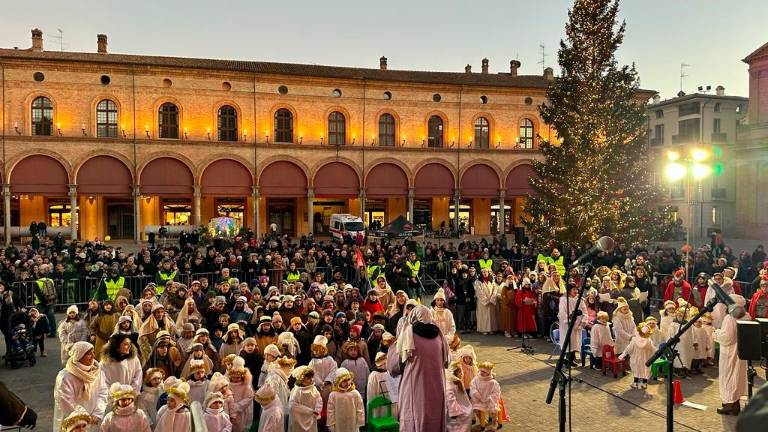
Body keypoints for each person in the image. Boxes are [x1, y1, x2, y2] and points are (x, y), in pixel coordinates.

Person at [387, 304, 448, 432]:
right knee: (435, 415)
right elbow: (447, 360)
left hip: (414, 384)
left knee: (414, 414)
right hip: (437, 386)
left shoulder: (408, 334)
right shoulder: (439, 335)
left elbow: (393, 366)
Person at [53, 341, 108, 431]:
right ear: (79, 355)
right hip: (74, 422)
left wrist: (97, 413)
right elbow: (66, 402)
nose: (93, 356)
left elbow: (103, 392)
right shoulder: (65, 377)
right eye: (89, 354)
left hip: (94, 420)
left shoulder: (97, 372)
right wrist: (85, 417)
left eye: (93, 353)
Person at [715, 294, 749, 416]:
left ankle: (730, 405)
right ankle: (734, 404)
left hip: (729, 353)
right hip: (740, 352)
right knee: (736, 377)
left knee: (728, 377)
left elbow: (727, 338)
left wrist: (716, 333)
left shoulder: (730, 318)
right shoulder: (746, 316)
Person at [326, 367, 365, 432]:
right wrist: (331, 424)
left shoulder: (355, 393)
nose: (347, 383)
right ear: (338, 381)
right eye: (344, 381)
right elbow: (330, 411)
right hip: (339, 424)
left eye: (348, 380)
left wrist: (360, 421)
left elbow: (360, 408)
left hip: (352, 423)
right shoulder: (333, 395)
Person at [619, 324, 656, 390]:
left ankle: (635, 382)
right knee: (645, 370)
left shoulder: (635, 339)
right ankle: (644, 383)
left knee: (636, 370)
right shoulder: (649, 341)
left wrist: (622, 355)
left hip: (636, 359)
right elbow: (653, 349)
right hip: (646, 359)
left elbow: (629, 348)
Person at [558, 284, 588, 367]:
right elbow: (562, 312)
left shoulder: (579, 299)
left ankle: (571, 360)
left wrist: (583, 322)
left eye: (576, 289)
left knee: (575, 343)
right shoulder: (564, 299)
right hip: (567, 326)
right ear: (569, 290)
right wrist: (568, 321)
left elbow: (584, 311)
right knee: (568, 342)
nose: (576, 291)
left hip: (577, 326)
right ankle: (567, 360)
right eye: (573, 289)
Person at [288, 365, 322, 432]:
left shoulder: (313, 389)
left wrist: (317, 410)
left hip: (311, 418)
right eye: (308, 378)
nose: (312, 380)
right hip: (299, 420)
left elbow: (319, 400)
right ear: (302, 379)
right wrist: (309, 411)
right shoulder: (297, 391)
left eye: (312, 377)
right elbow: (293, 406)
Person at [470, 361, 502, 431]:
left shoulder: (493, 382)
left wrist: (490, 398)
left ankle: (494, 423)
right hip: (479, 400)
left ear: (489, 372)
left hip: (489, 401)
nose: (482, 373)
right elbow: (472, 388)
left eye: (484, 372)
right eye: (481, 371)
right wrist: (477, 395)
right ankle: (483, 422)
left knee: (494, 409)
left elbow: (497, 392)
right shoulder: (476, 379)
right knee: (476, 409)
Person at [445, 360, 473, 432]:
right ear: (455, 373)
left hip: (462, 408)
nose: (462, 374)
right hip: (456, 412)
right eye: (460, 372)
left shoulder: (457, 382)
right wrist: (455, 412)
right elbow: (451, 400)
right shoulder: (451, 385)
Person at [474, 268, 499, 335]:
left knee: (491, 316)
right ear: (481, 273)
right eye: (483, 272)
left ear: (488, 273)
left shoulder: (492, 281)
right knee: (483, 316)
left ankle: (491, 329)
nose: (485, 273)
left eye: (486, 272)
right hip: (483, 303)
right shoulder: (478, 282)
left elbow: (495, 290)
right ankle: (483, 329)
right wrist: (486, 300)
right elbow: (479, 292)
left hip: (491, 301)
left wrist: (492, 299)